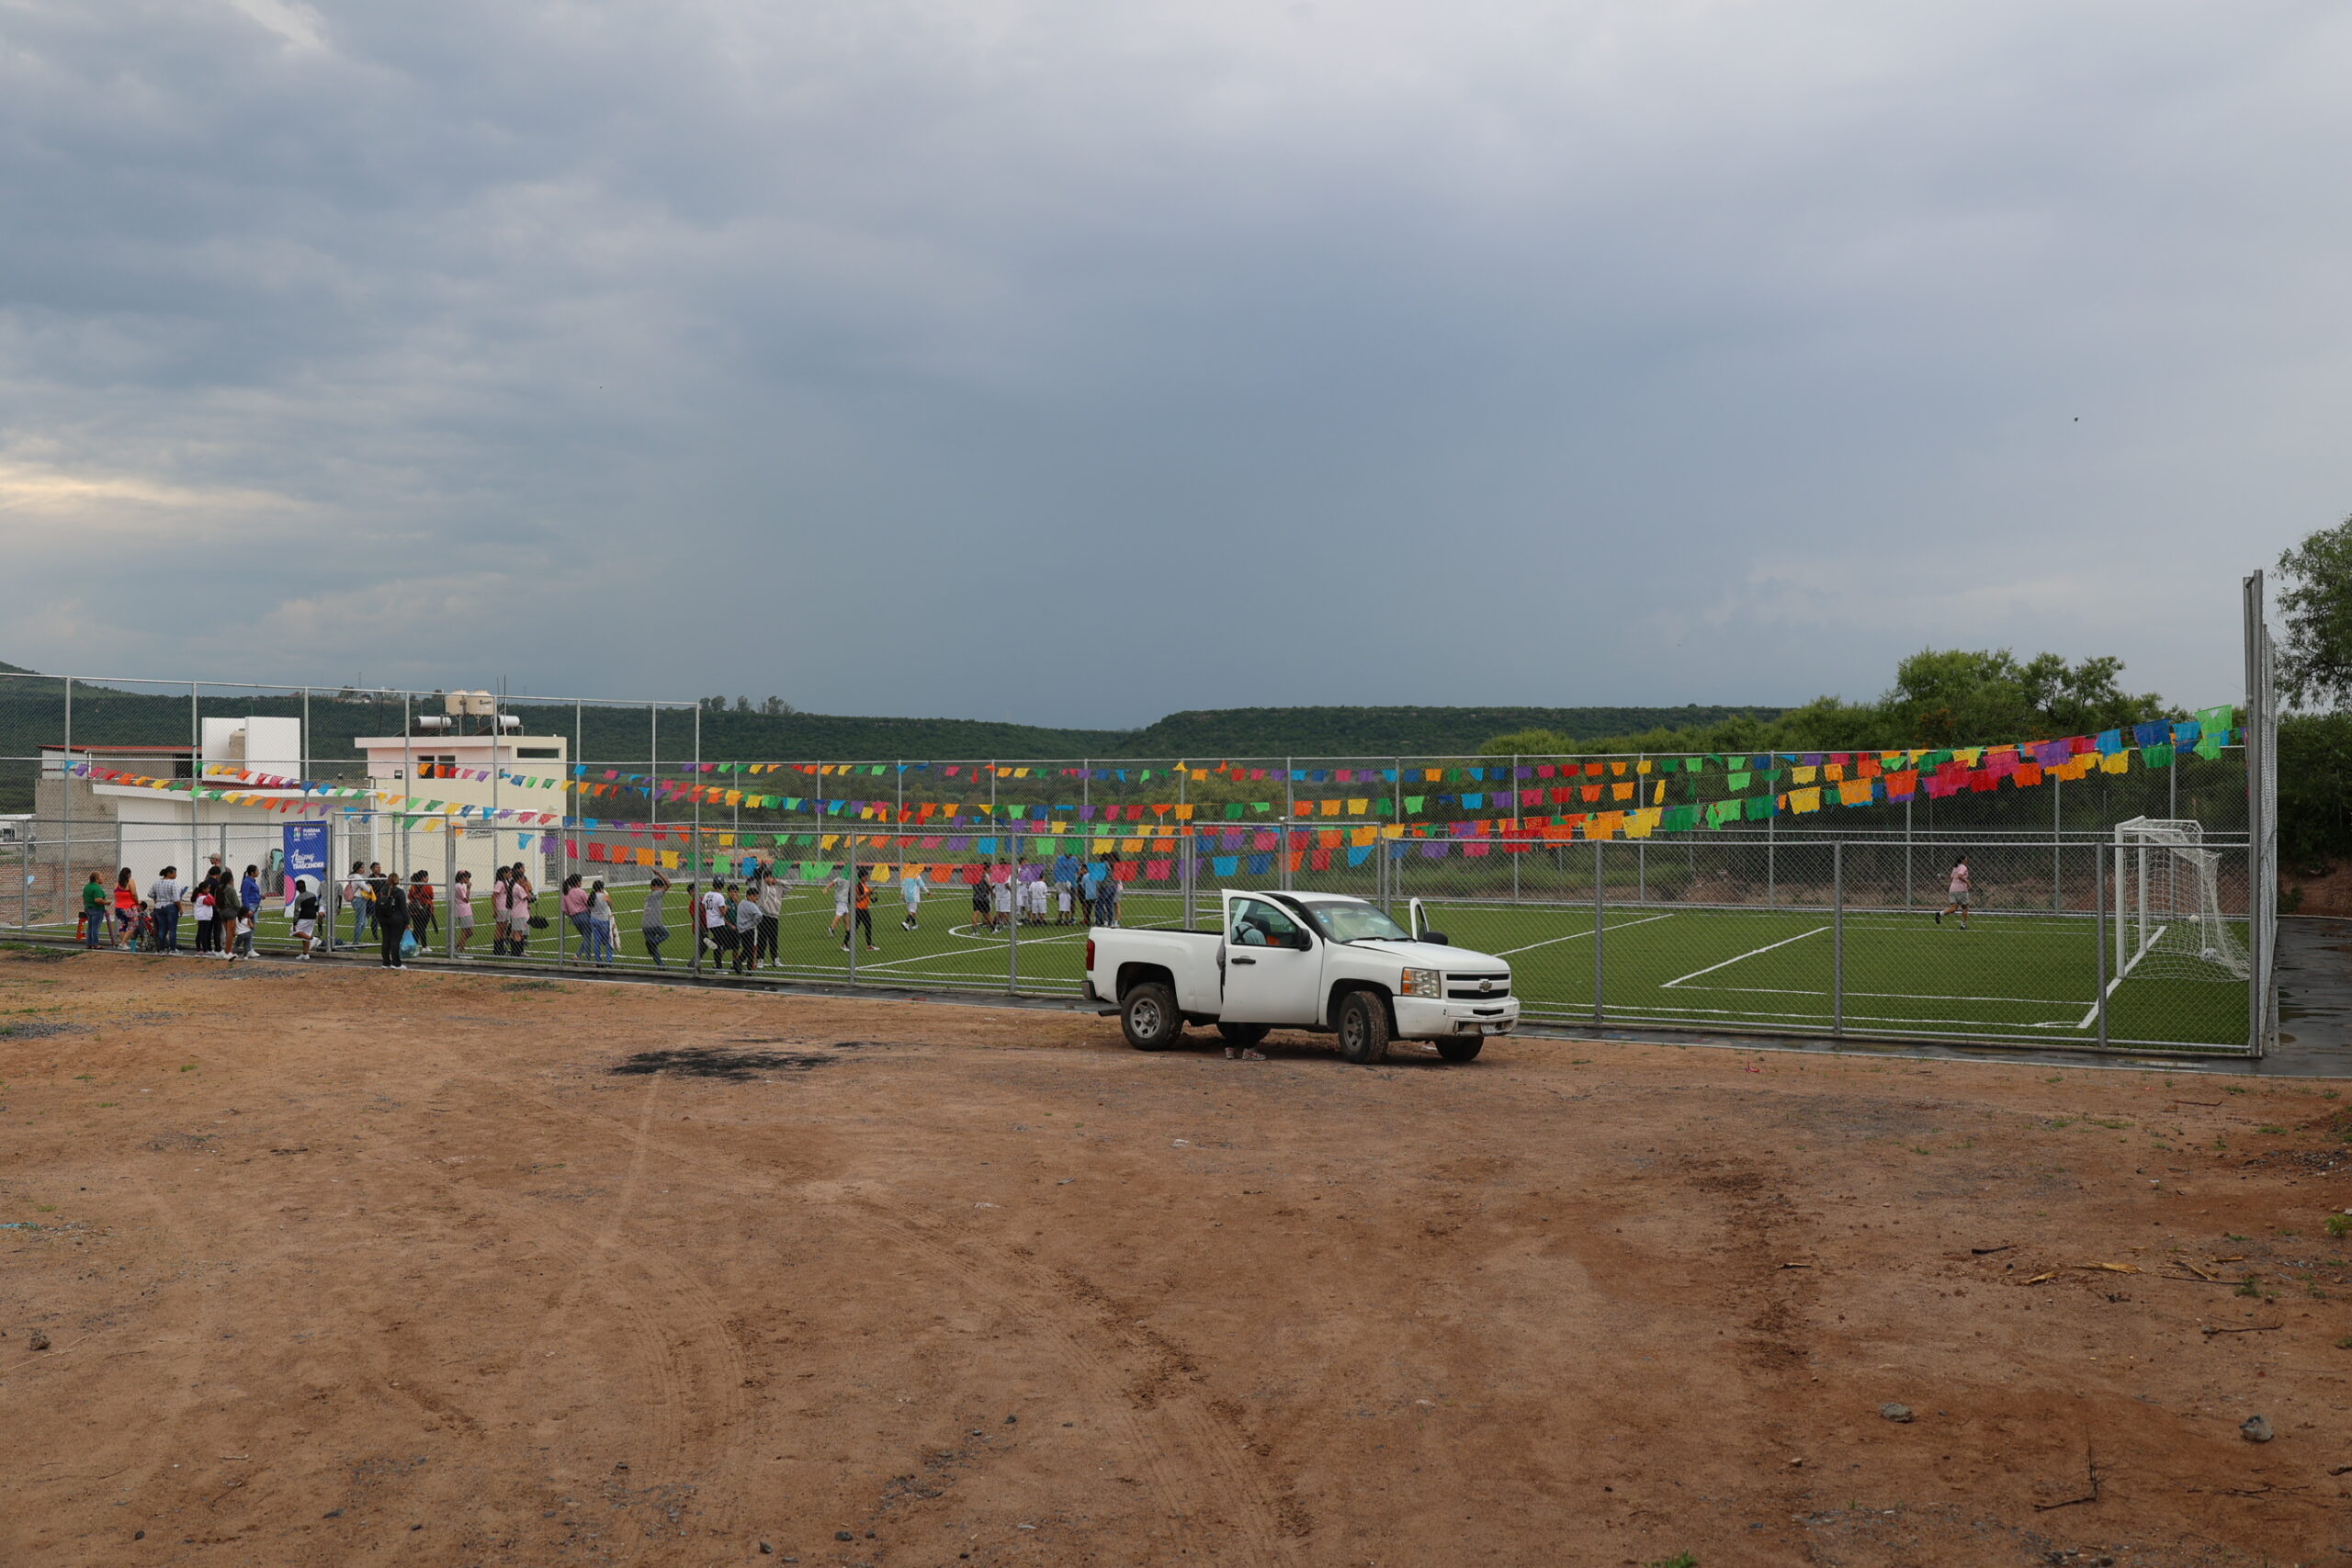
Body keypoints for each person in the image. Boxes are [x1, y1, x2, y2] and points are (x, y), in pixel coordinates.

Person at [375, 872, 410, 967]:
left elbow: (376, 906)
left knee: (386, 940)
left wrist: (378, 917)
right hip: (397, 919)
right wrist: (407, 921)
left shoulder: (381, 891)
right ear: (397, 881)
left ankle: (386, 963)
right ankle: (396, 963)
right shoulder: (400, 892)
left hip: (383, 918)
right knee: (395, 941)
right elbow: (404, 909)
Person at [842, 865, 877, 953]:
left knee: (868, 926)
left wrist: (872, 897)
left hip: (865, 909)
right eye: (866, 876)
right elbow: (857, 898)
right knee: (854, 928)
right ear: (863, 877)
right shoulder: (858, 886)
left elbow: (866, 896)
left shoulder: (865, 885)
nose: (868, 877)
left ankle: (869, 945)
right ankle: (844, 944)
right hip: (859, 910)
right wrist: (868, 893)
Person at [148, 865, 184, 953]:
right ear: (169, 873)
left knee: (162, 929)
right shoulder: (173, 883)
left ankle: (161, 949)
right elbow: (176, 898)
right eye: (174, 873)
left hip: (159, 907)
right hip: (170, 906)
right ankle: (172, 949)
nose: (176, 875)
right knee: (172, 929)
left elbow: (150, 894)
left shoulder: (156, 882)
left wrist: (157, 900)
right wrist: (180, 908)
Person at [641, 873, 672, 968]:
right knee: (666, 934)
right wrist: (659, 874)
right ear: (656, 887)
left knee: (653, 948)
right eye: (660, 887)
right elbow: (669, 884)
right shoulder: (657, 894)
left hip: (645, 925)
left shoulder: (649, 896)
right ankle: (654, 942)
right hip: (655, 924)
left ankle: (660, 964)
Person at [756, 871, 784, 968]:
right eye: (767, 877)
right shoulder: (762, 888)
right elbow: (758, 880)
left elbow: (789, 887)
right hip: (763, 916)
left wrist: (777, 881)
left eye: (771, 877)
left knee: (773, 939)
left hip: (774, 917)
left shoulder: (778, 888)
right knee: (762, 939)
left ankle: (775, 959)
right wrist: (761, 871)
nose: (769, 879)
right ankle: (760, 959)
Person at [588, 879, 617, 967]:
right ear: (602, 888)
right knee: (608, 941)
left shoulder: (592, 895)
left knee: (597, 941)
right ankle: (609, 961)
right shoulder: (605, 896)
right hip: (603, 920)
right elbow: (611, 905)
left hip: (594, 919)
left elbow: (589, 906)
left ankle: (598, 961)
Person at [408, 870, 437, 958]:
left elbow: (410, 896)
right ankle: (416, 946)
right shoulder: (427, 886)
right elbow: (431, 896)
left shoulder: (413, 886)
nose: (428, 878)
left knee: (418, 928)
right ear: (424, 878)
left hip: (414, 909)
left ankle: (421, 946)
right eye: (427, 876)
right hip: (425, 908)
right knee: (420, 928)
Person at [292, 876, 322, 959]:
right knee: (306, 934)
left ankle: (314, 939)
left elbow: (297, 911)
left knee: (293, 931)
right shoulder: (312, 895)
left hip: (304, 917)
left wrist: (294, 923)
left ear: (297, 888)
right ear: (305, 886)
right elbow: (317, 906)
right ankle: (305, 954)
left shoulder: (299, 898)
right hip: (313, 917)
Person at [702, 882, 732, 965]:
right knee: (723, 942)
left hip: (710, 922)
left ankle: (718, 965)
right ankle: (718, 966)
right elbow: (723, 913)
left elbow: (703, 907)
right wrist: (726, 907)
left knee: (718, 944)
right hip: (718, 922)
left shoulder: (707, 894)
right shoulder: (719, 896)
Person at [733, 883, 760, 974]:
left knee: (747, 948)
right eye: (754, 896)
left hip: (741, 929)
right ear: (748, 896)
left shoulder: (742, 903)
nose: (756, 898)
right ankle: (740, 962)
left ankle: (743, 965)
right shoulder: (751, 905)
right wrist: (754, 923)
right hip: (749, 929)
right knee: (750, 949)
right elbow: (759, 915)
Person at [344, 862, 372, 950]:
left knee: (364, 922)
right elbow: (367, 889)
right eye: (362, 868)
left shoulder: (354, 877)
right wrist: (369, 887)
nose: (364, 869)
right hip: (359, 899)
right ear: (358, 869)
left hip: (359, 899)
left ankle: (357, 941)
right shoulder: (357, 877)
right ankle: (355, 943)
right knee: (360, 922)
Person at [1937, 857, 1972, 929]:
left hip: (1952, 889)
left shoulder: (1955, 867)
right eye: (1966, 859)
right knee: (1965, 907)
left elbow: (1952, 878)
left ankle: (1940, 913)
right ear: (1963, 860)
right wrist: (1967, 882)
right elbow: (1960, 876)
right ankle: (1963, 925)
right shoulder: (1963, 867)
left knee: (1954, 908)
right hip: (1961, 889)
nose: (1968, 860)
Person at [450, 870, 476, 954]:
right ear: (462, 877)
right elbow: (466, 899)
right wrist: (468, 888)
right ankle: (462, 951)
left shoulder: (459, 886)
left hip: (466, 910)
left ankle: (457, 945)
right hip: (463, 911)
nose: (468, 879)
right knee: (465, 932)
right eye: (467, 877)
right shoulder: (459, 887)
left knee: (470, 932)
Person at [80, 871, 108, 947]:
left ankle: (89, 944)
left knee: (90, 927)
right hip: (97, 909)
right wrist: (106, 902)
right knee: (95, 927)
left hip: (88, 908)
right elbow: (98, 900)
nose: (103, 878)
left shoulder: (87, 886)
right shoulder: (97, 888)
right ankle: (96, 944)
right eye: (101, 877)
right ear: (96, 879)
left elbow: (84, 897)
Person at [111, 867, 138, 944]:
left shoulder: (116, 884)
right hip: (129, 907)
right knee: (133, 925)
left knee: (123, 925)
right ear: (129, 874)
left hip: (118, 907)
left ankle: (124, 944)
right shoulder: (130, 881)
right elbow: (134, 894)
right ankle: (123, 943)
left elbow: (116, 895)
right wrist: (137, 902)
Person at [1095, 852, 1122, 928]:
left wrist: (1098, 889)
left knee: (1098, 905)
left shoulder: (1103, 865)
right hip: (1113, 887)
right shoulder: (1115, 864)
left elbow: (1100, 878)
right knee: (1109, 905)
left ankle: (1097, 923)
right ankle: (1110, 922)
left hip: (1106, 887)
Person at [899, 865, 924, 931]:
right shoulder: (917, 876)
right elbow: (922, 886)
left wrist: (902, 895)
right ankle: (905, 922)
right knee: (912, 911)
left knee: (911, 911)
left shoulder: (906, 876)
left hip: (907, 895)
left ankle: (914, 925)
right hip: (913, 896)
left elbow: (903, 886)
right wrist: (928, 892)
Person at [970, 863, 992, 932]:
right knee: (988, 913)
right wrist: (992, 891)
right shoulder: (984, 876)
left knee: (976, 913)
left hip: (976, 896)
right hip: (983, 897)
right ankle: (993, 928)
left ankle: (974, 930)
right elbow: (989, 886)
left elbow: (973, 886)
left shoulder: (974, 876)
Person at [239, 864, 264, 928]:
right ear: (252, 873)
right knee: (250, 925)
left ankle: (250, 937)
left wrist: (260, 896)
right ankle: (248, 937)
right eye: (257, 871)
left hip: (254, 905)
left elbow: (253, 893)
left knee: (253, 924)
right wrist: (247, 909)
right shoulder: (247, 882)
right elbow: (245, 895)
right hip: (250, 905)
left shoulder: (252, 882)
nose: (258, 872)